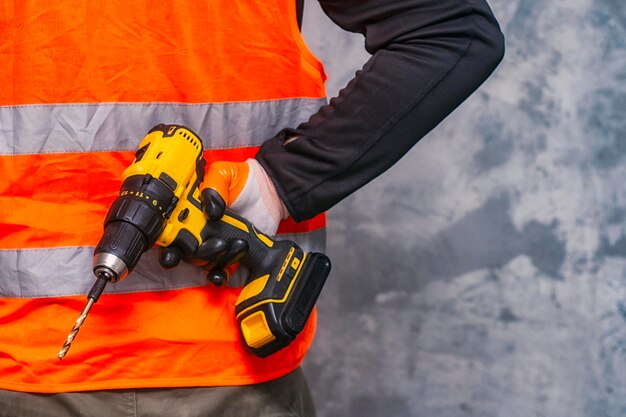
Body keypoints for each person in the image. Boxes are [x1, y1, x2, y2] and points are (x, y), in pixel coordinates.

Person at [0, 0, 504, 415]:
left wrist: (275, 184)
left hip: (40, 364)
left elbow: (451, 33)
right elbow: (453, 32)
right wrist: (279, 183)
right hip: (224, 382)